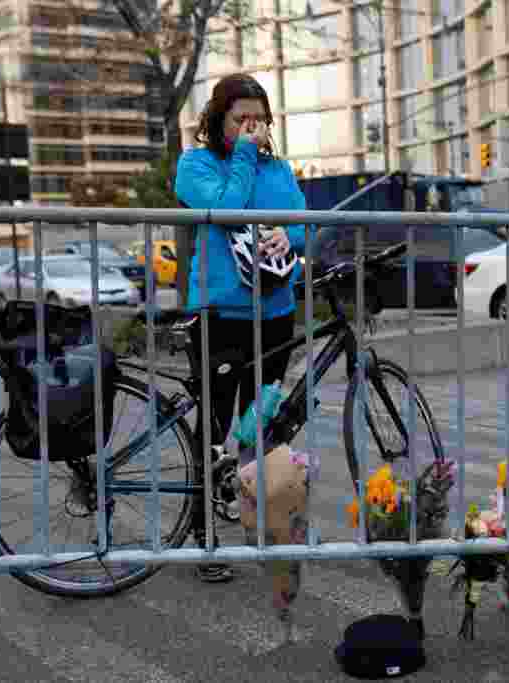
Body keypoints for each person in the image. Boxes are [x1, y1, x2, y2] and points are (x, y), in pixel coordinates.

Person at [174, 72, 312, 583]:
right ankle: (204, 537)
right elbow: (228, 211)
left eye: (260, 119)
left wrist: (288, 237)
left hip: (274, 314)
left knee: (265, 426)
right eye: (242, 119)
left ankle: (269, 527)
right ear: (219, 119)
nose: (253, 128)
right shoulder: (196, 165)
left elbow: (305, 222)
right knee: (212, 430)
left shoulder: (279, 169)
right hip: (219, 314)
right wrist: (245, 156)